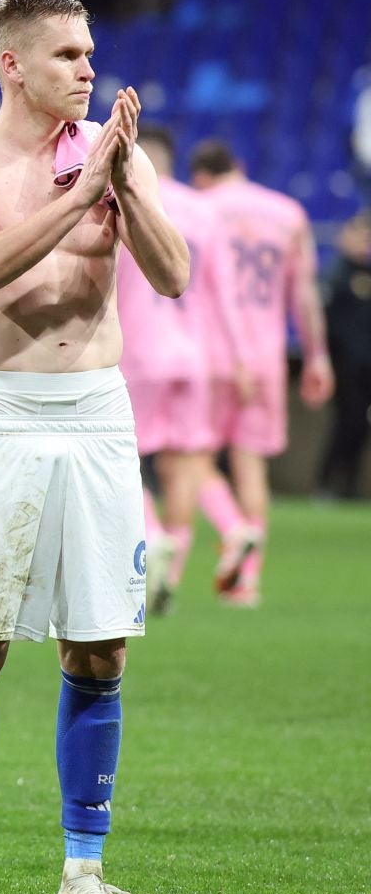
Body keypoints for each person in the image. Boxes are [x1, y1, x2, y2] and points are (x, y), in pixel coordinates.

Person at [0, 0, 189, 894]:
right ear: (12, 65)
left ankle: (81, 874)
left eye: (91, 51)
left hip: (99, 419)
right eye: (68, 54)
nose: (88, 69)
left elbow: (174, 275)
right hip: (0, 418)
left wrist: (119, 185)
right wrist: (82, 200)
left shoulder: (114, 155)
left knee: (101, 651)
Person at [188, 140, 333, 605]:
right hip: (267, 354)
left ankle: (231, 530)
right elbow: (305, 295)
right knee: (251, 466)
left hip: (208, 351)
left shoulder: (197, 207)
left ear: (201, 177)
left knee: (192, 460)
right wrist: (316, 356)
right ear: (241, 166)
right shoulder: (287, 213)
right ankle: (246, 581)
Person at [111, 126, 244, 615]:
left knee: (123, 458)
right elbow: (225, 295)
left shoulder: (122, 196)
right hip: (196, 353)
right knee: (186, 461)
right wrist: (235, 360)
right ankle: (187, 560)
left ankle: (156, 539)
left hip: (138, 349)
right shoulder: (204, 210)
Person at [318, 211, 371, 501]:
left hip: (366, 365)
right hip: (345, 364)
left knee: (359, 425)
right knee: (346, 421)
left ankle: (349, 484)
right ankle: (327, 482)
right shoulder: (337, 273)